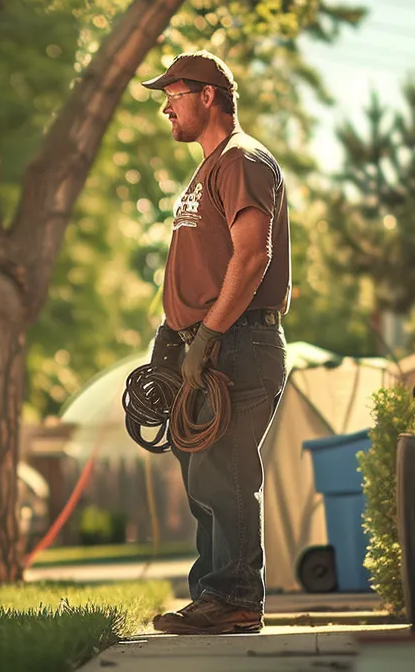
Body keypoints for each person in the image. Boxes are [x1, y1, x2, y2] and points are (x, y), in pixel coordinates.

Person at [140, 50, 292, 636]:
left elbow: (255, 256)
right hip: (208, 343)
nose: (165, 106)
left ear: (208, 96)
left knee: (224, 469)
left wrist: (208, 335)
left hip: (236, 346)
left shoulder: (241, 160)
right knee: (203, 473)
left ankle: (233, 599)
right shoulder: (211, 168)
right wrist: (173, 338)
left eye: (173, 94)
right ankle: (214, 594)